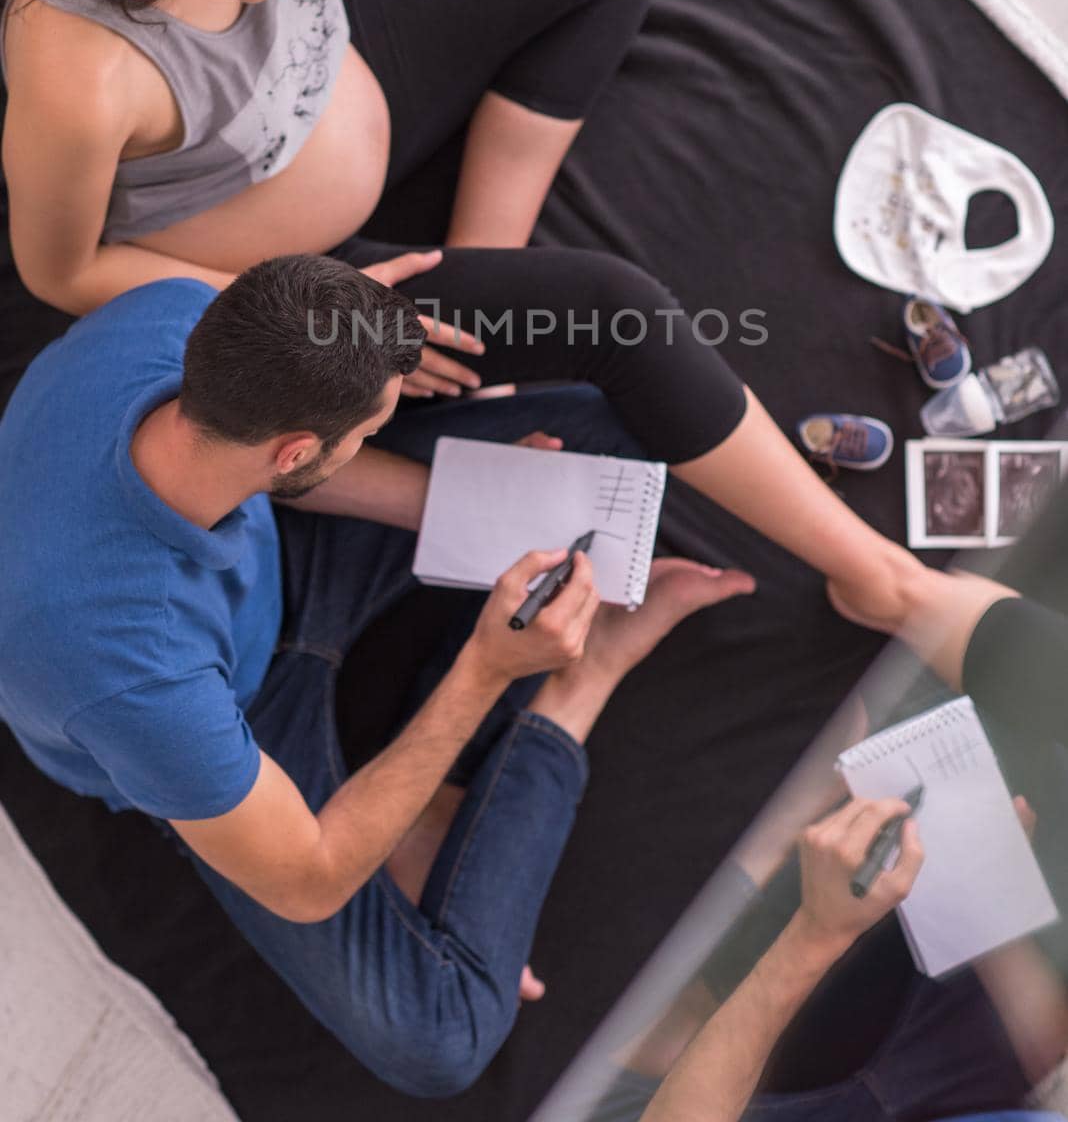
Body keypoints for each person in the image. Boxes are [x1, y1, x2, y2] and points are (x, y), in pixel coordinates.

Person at [0, 0, 941, 622]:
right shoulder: (79, 73)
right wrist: (330, 322)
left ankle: (482, 272)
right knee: (618, 311)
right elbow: (62, 271)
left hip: (342, 86)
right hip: (283, 266)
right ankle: (882, 580)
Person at [0, 252, 761, 1097]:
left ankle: (433, 788)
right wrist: (486, 667)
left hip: (271, 555)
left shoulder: (174, 314)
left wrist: (473, 504)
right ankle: (579, 685)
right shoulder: (134, 677)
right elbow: (310, 879)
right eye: (367, 429)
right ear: (295, 450)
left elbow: (263, 466)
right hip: (232, 713)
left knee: (593, 445)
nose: (374, 434)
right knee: (439, 1035)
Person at [594, 800, 1061, 1122]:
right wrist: (992, 918)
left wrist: (816, 935)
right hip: (974, 1054)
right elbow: (1051, 1059)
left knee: (649, 1047)